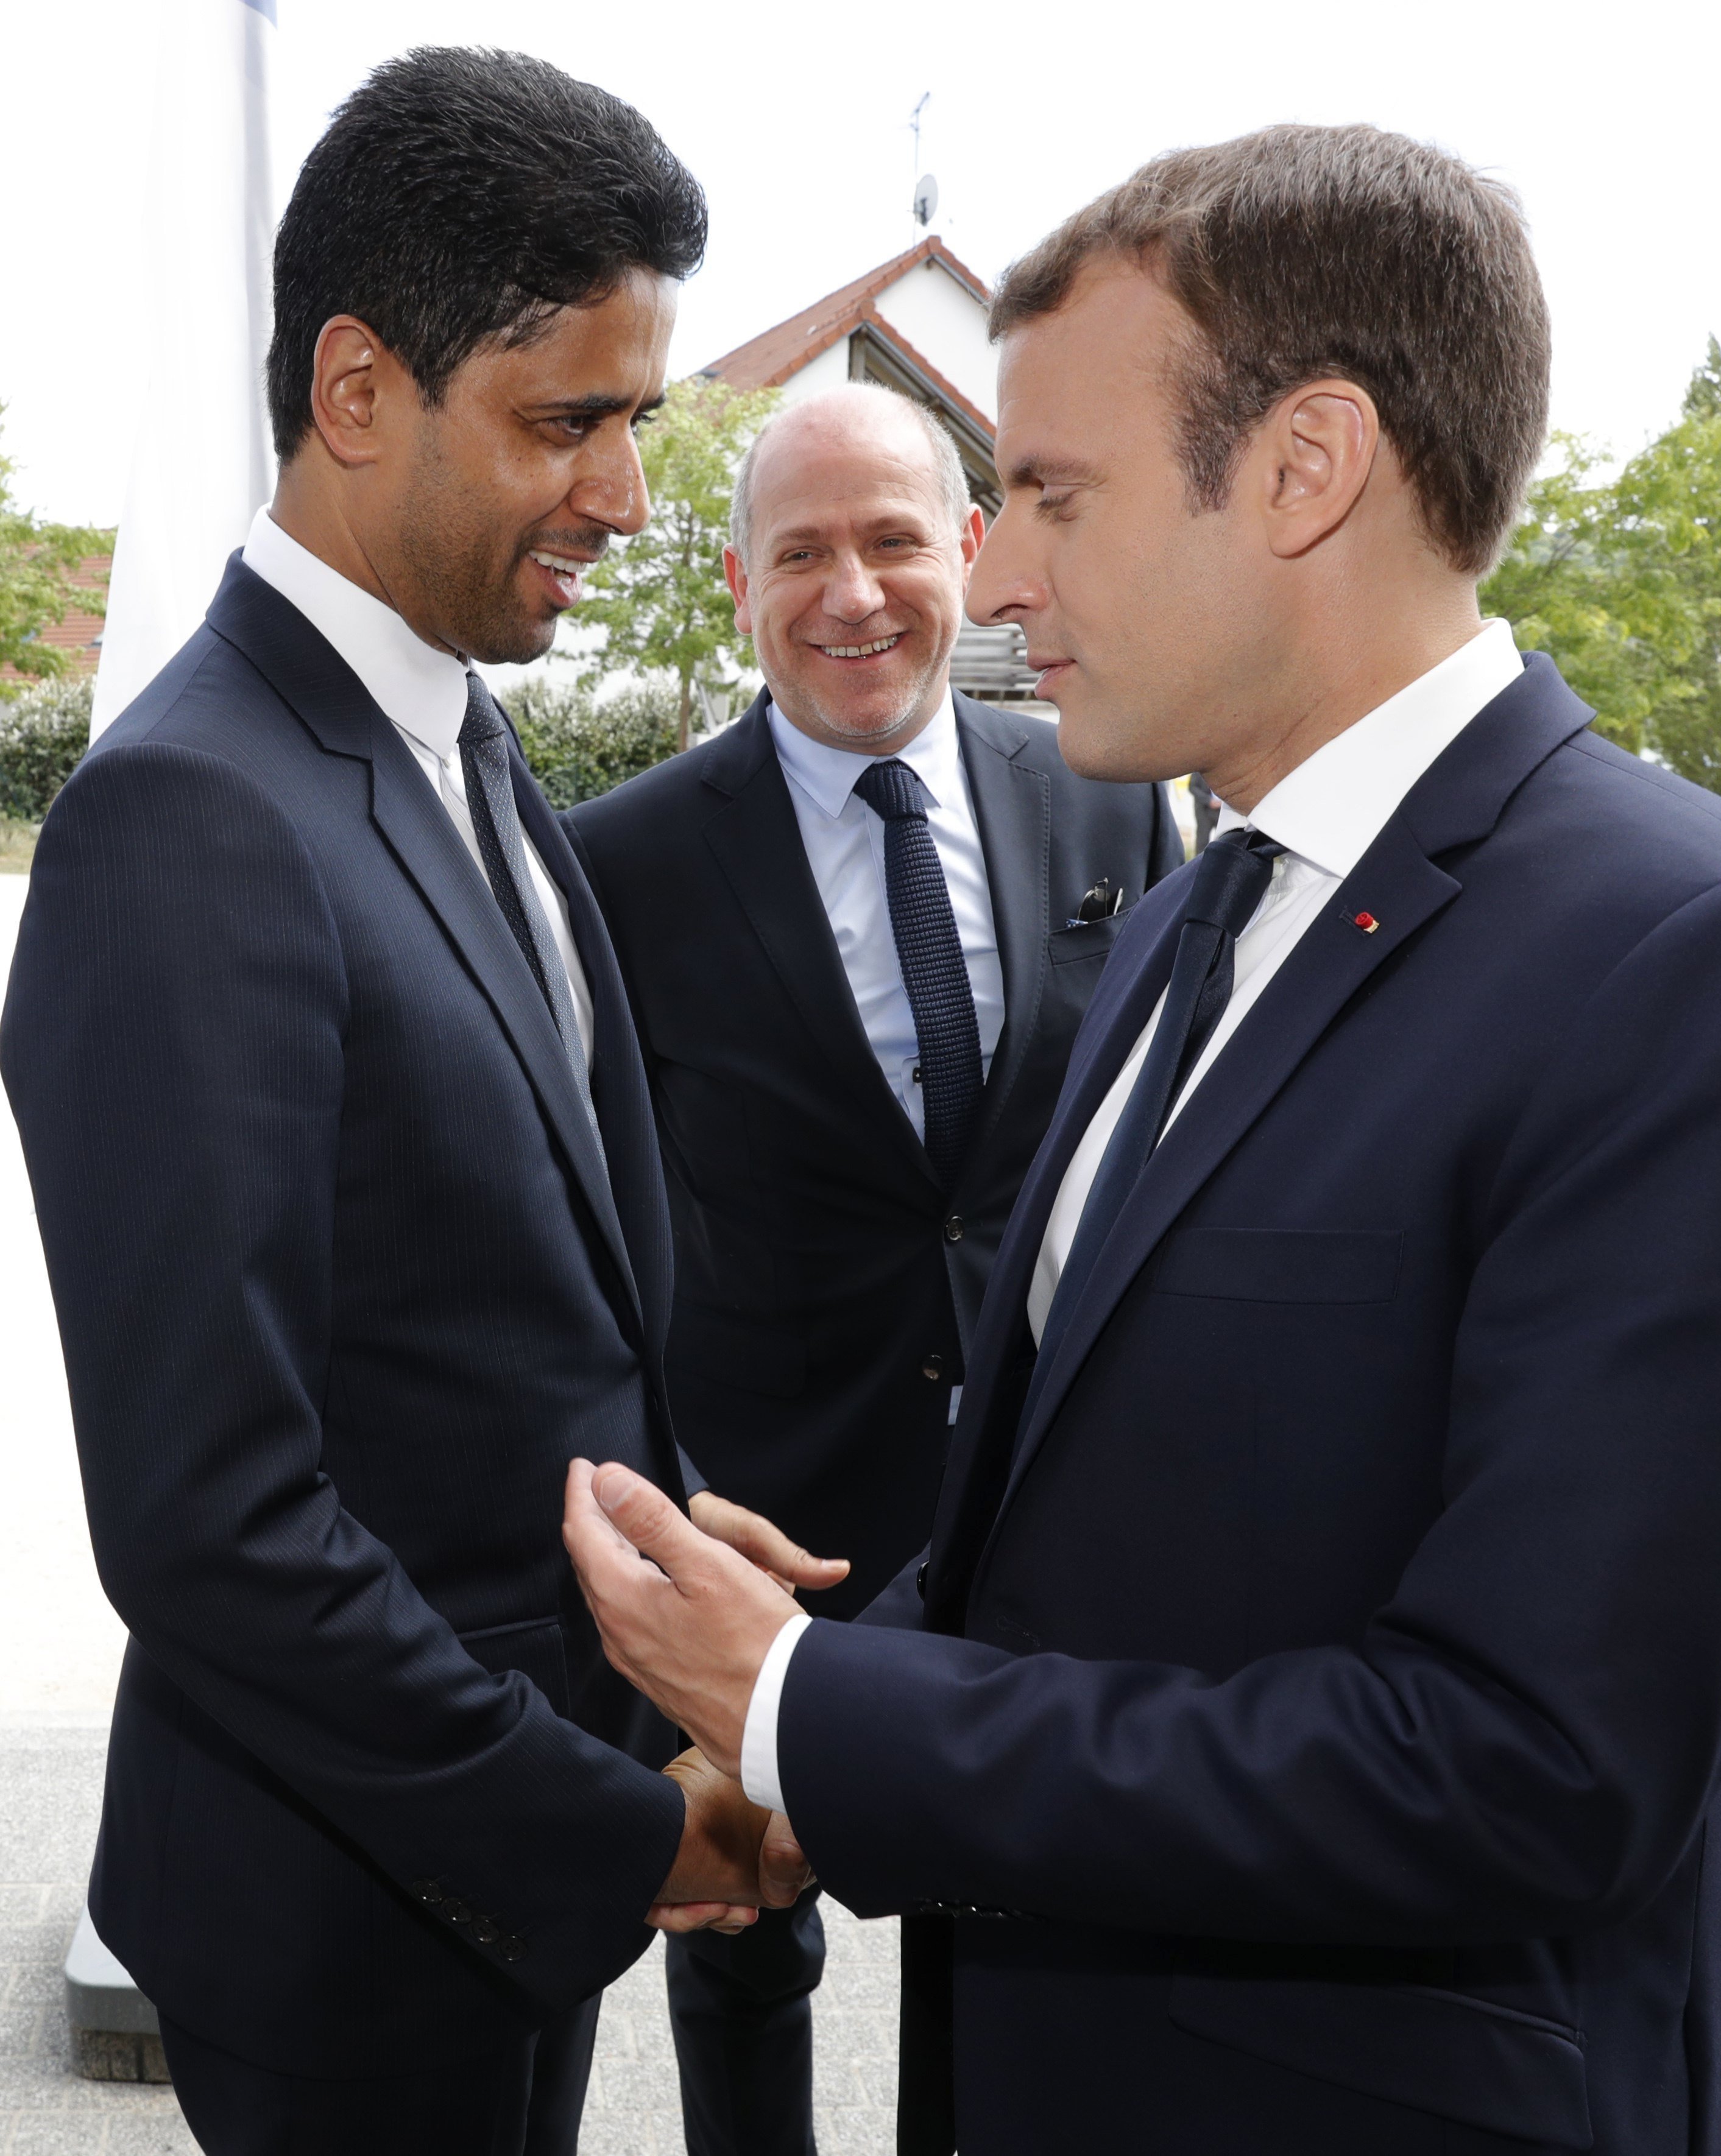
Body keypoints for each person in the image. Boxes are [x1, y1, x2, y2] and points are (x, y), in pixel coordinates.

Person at [563, 124, 1721, 2155]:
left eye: (1047, 493)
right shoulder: (1200, 897)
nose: (992, 578)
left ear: (1303, 468)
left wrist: (812, 1705)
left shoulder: (1671, 957)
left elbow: (1528, 1763)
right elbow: (1088, 1537)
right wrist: (782, 1757)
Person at [0, 49, 829, 2156]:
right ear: (356, 390)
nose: (632, 499)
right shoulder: (191, 818)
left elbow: (474, 1297)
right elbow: (210, 1518)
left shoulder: (452, 742)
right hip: (353, 1927)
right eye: (570, 421)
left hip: (489, 1876)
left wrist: (653, 1511)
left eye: (638, 421)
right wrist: (606, 1823)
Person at [564, 381, 1180, 2155]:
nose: (854, 593)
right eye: (801, 553)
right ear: (741, 585)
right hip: (776, 1523)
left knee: (1022, 1940)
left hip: (1045, 1510)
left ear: (967, 551)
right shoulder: (623, 862)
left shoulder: (1108, 798)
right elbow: (606, 1224)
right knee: (747, 1954)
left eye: (894, 540)